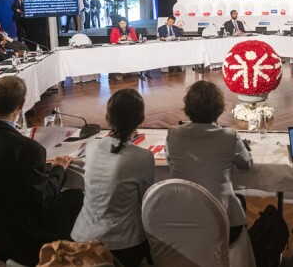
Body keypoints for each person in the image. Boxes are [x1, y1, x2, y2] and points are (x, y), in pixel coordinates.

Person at [0, 76, 83, 266]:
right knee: (75, 196)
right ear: (22, 103)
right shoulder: (26, 148)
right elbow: (45, 197)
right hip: (17, 237)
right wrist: (59, 169)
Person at [72, 89, 154, 266]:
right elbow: (147, 202)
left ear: (108, 118)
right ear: (140, 120)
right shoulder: (143, 157)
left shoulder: (92, 147)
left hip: (81, 239)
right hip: (123, 245)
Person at [166, 81, 252, 244]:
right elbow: (246, 163)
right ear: (219, 108)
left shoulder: (173, 134)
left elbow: (170, 159)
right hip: (221, 225)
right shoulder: (229, 136)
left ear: (188, 108)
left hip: (181, 220)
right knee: (239, 202)